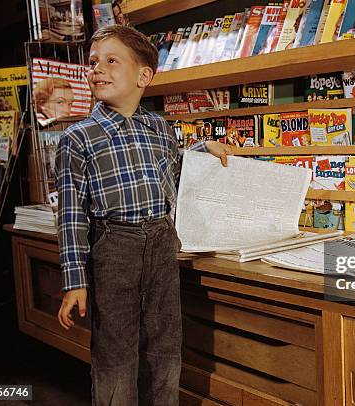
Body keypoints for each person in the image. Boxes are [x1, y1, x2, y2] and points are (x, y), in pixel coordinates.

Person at [55, 25, 232, 405]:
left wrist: (205, 149)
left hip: (162, 244)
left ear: (143, 75)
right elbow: (70, 217)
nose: (96, 70)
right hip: (114, 247)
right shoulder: (78, 138)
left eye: (111, 61)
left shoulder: (159, 128)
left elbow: (175, 170)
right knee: (116, 352)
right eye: (92, 63)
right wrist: (74, 282)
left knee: (164, 345)